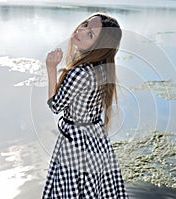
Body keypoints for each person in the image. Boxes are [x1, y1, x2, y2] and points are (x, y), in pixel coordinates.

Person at [42, 13, 128, 199]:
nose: (80, 30)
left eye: (90, 34)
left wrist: (51, 68)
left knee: (71, 190)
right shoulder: (103, 68)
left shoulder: (79, 72)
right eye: (86, 25)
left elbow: (56, 106)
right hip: (97, 142)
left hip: (76, 143)